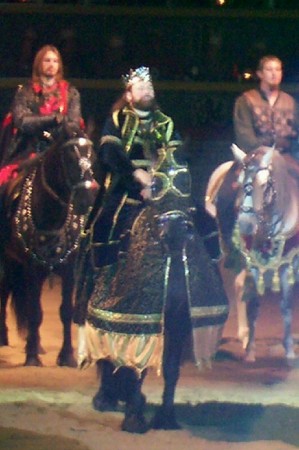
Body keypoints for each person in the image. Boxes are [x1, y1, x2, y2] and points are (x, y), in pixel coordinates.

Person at [73, 66, 228, 431]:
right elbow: (109, 156)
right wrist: (136, 176)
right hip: (127, 193)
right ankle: (102, 276)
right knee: (102, 224)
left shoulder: (166, 122)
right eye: (140, 84)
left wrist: (161, 176)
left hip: (164, 193)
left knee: (201, 224)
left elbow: (174, 156)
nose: (147, 88)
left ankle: (211, 282)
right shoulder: (116, 120)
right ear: (128, 92)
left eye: (150, 83)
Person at [0, 44, 84, 169]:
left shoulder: (71, 93)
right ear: (39, 64)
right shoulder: (24, 91)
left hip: (61, 149)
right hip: (28, 149)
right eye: (47, 60)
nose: (51, 64)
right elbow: (22, 122)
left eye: (55, 61)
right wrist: (53, 119)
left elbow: (74, 124)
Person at [233, 55, 299, 156]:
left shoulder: (291, 102)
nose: (274, 74)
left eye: (278, 70)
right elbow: (245, 139)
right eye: (269, 70)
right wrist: (272, 142)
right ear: (260, 74)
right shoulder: (246, 100)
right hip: (255, 157)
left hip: (287, 156)